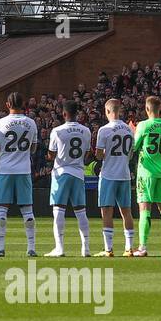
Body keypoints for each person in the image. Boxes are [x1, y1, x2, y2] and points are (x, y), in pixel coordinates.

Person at [0, 92, 39, 258]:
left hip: (4, 170)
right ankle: (31, 248)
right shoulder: (31, 123)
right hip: (23, 170)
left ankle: (0, 248)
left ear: (7, 104)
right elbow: (33, 148)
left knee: (1, 211)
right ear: (23, 104)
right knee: (27, 211)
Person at [46, 101, 93, 257]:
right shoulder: (86, 131)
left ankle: (59, 248)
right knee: (81, 211)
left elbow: (51, 155)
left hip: (61, 172)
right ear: (77, 113)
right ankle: (85, 248)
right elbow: (86, 154)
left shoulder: (57, 131)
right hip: (79, 173)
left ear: (64, 114)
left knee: (58, 210)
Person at [131, 96, 161, 257]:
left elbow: (134, 147)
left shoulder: (143, 125)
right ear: (160, 109)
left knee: (145, 209)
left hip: (146, 172)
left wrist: (133, 132)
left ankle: (142, 247)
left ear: (147, 109)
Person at [93, 98, 134, 256]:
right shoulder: (129, 129)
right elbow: (130, 154)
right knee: (126, 212)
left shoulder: (104, 130)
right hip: (124, 174)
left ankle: (108, 249)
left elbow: (98, 155)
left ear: (108, 111)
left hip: (109, 175)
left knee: (107, 211)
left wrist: (105, 155)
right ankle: (129, 248)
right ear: (120, 111)